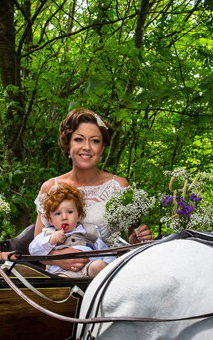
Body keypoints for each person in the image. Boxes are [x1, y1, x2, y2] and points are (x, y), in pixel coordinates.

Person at [33, 107, 152, 273]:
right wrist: (60, 259)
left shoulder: (119, 186)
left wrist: (137, 238)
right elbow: (36, 248)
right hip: (61, 278)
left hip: (107, 275)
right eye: (79, 139)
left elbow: (132, 240)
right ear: (68, 145)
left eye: (95, 141)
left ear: (102, 148)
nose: (87, 147)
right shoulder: (50, 187)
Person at [29, 184, 115, 277]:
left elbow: (104, 251)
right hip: (63, 271)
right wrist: (50, 240)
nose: (64, 217)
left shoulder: (89, 230)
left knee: (99, 266)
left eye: (69, 212)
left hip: (88, 267)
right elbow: (33, 250)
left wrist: (111, 265)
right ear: (50, 220)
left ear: (78, 216)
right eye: (58, 213)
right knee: (60, 281)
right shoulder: (48, 233)